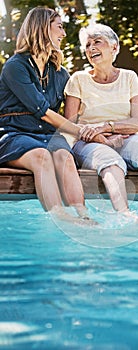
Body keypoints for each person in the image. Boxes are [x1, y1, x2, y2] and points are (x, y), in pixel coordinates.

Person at [0, 7, 95, 223]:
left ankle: (85, 217)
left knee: (65, 158)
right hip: (15, 133)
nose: (63, 34)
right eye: (59, 27)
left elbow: (73, 115)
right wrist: (84, 133)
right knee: (42, 157)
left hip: (48, 136)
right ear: (43, 28)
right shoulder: (16, 66)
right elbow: (43, 112)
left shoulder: (60, 73)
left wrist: (102, 129)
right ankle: (60, 218)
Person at [64, 23, 138, 217]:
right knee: (110, 160)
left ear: (114, 47)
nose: (91, 48)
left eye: (97, 42)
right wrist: (100, 137)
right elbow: (70, 125)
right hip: (88, 142)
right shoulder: (78, 79)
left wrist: (106, 127)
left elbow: (137, 122)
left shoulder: (129, 77)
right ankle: (125, 215)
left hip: (125, 138)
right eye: (87, 45)